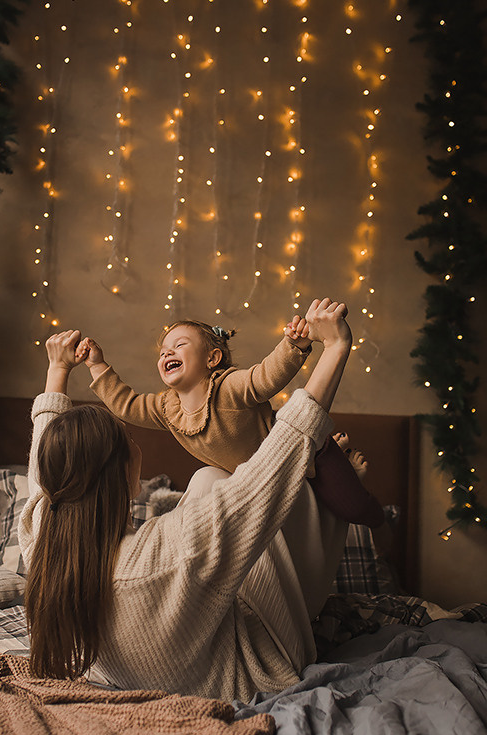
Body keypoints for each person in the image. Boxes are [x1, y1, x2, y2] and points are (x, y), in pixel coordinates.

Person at [19, 298, 358, 702]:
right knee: (241, 486)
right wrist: (335, 348)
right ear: (122, 475)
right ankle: (344, 494)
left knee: (209, 479)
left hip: (158, 659)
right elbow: (280, 456)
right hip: (253, 671)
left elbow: (45, 472)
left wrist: (57, 370)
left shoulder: (47, 538)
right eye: (128, 440)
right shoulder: (175, 546)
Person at [75, 311, 383, 527]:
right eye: (163, 351)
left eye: (179, 345)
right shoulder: (167, 408)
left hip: (304, 455)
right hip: (263, 481)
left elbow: (266, 376)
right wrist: (97, 365)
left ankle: (347, 470)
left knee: (355, 510)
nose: (167, 353)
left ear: (212, 359)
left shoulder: (229, 386)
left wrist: (296, 345)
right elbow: (127, 405)